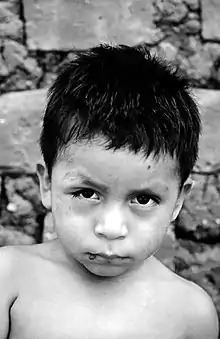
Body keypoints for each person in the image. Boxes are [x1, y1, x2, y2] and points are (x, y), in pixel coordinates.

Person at [0, 43, 219, 339]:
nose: (111, 228)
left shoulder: (191, 313)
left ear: (178, 200)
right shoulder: (10, 279)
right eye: (87, 193)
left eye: (143, 199)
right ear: (47, 184)